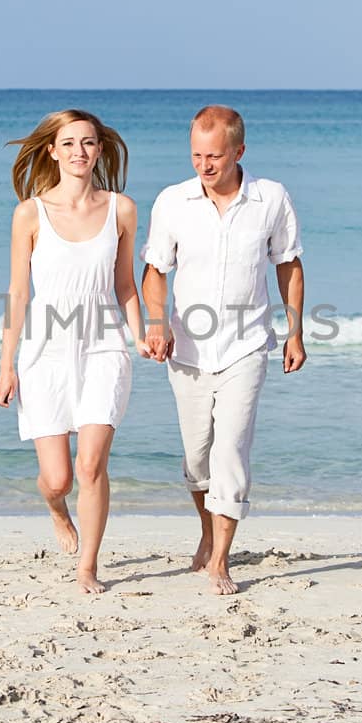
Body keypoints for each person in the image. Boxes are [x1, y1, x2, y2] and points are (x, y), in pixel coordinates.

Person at [140, 105, 306, 595]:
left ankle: (220, 560)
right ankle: (208, 531)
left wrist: (295, 332)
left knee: (231, 450)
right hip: (186, 350)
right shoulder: (173, 201)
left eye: (214, 156)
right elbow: (155, 272)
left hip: (247, 346)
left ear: (239, 151)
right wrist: (155, 324)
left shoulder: (270, 198)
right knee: (197, 458)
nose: (204, 166)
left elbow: (289, 265)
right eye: (196, 155)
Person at [0, 109, 149, 594]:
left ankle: (88, 566)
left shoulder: (122, 209)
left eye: (88, 142)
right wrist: (6, 364)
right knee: (58, 479)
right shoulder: (30, 214)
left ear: (99, 150)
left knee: (91, 466)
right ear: (52, 151)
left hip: (104, 346)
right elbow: (19, 294)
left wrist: (142, 334)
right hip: (46, 351)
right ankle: (57, 510)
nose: (79, 151)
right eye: (69, 143)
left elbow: (125, 284)